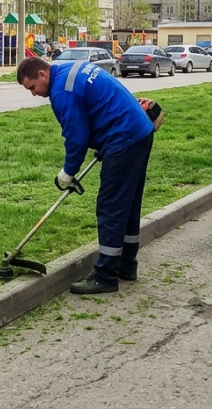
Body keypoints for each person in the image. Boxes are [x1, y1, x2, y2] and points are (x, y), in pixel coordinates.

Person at [16, 57, 156, 295]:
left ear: (42, 75)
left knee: (110, 207)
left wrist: (68, 172)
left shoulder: (61, 92)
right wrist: (102, 141)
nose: (33, 93)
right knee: (128, 204)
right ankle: (126, 266)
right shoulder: (68, 69)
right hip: (139, 130)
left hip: (123, 137)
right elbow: (98, 106)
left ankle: (106, 276)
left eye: (32, 87)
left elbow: (76, 137)